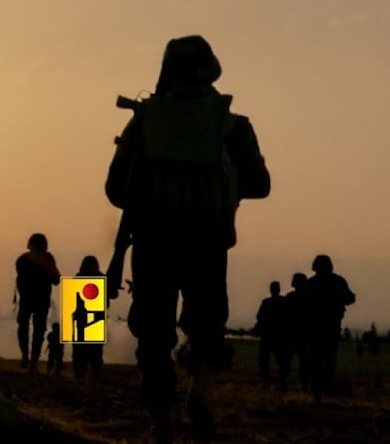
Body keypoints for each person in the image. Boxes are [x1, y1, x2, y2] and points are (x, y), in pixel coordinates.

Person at [105, 35, 271, 442]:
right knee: (207, 325)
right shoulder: (232, 124)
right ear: (211, 69)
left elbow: (115, 189)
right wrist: (222, 187)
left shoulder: (144, 120)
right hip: (207, 239)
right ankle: (201, 394)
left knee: (155, 333)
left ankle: (161, 423)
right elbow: (261, 184)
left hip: (152, 241)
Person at [302, 254, 355, 399]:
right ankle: (324, 386)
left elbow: (303, 305)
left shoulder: (311, 283)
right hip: (330, 327)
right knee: (329, 357)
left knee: (315, 359)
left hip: (315, 328)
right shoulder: (338, 281)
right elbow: (350, 299)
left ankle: (317, 390)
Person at [15, 232, 61, 373]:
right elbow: (56, 280)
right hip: (41, 299)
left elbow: (20, 279)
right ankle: (33, 360)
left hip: (27, 298)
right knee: (38, 330)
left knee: (24, 326)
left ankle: (26, 356)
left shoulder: (23, 259)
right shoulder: (47, 258)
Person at [72, 255, 105, 380]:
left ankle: (81, 374)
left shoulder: (78, 278)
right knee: (95, 349)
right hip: (94, 318)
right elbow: (112, 295)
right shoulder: (101, 278)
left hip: (81, 318)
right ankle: (93, 374)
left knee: (81, 349)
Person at [278, 272, 309, 393]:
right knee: (304, 361)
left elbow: (283, 316)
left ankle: (283, 383)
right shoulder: (308, 298)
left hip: (290, 334)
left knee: (286, 361)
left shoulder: (290, 297)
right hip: (301, 334)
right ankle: (304, 384)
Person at [254, 280, 286, 388]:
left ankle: (267, 381)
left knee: (266, 359)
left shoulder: (266, 302)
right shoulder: (283, 302)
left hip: (269, 335)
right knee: (280, 360)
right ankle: (281, 382)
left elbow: (259, 317)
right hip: (277, 335)